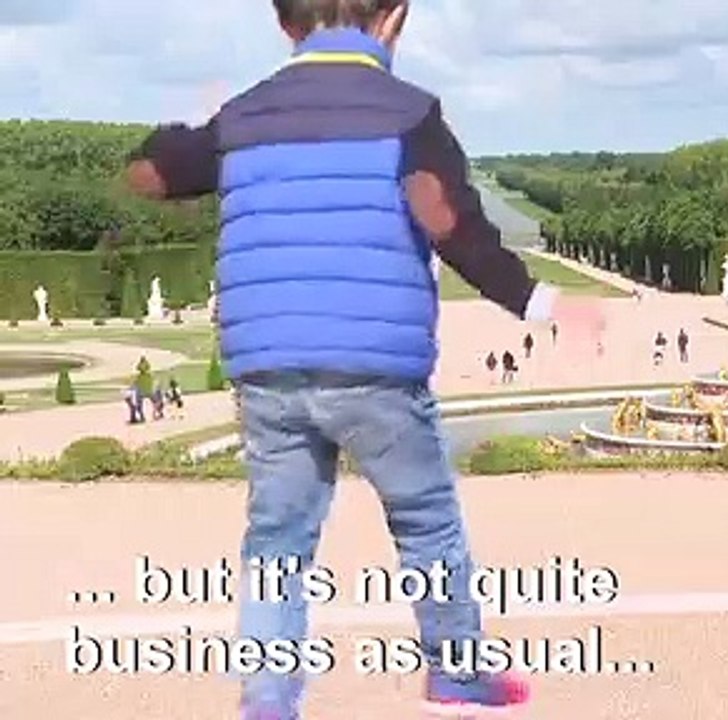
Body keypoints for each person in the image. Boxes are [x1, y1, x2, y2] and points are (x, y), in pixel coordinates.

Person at [122, 2, 603, 717]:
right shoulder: (409, 114)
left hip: (268, 363)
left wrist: (200, 126)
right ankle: (456, 670)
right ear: (394, 18)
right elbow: (454, 230)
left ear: (285, 24)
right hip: (375, 365)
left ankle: (268, 694)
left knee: (278, 537)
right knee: (426, 521)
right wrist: (538, 303)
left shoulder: (246, 118)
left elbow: (149, 174)